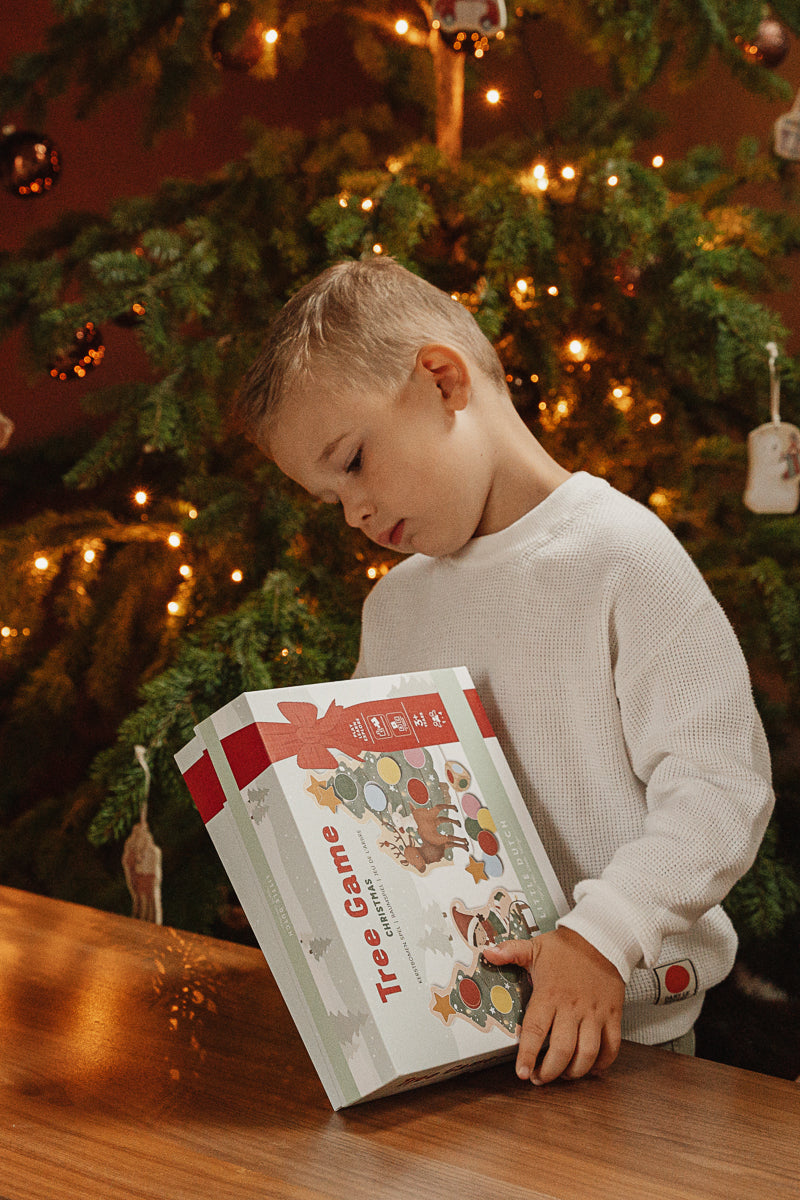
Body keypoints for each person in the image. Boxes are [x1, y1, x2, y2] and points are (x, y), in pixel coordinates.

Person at [235, 255, 775, 1086]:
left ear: (443, 381)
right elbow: (380, 816)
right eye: (330, 497)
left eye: (351, 463)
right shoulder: (396, 608)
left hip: (631, 1044)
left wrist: (603, 937)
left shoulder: (622, 558)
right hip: (455, 1042)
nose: (355, 511)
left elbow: (720, 788)